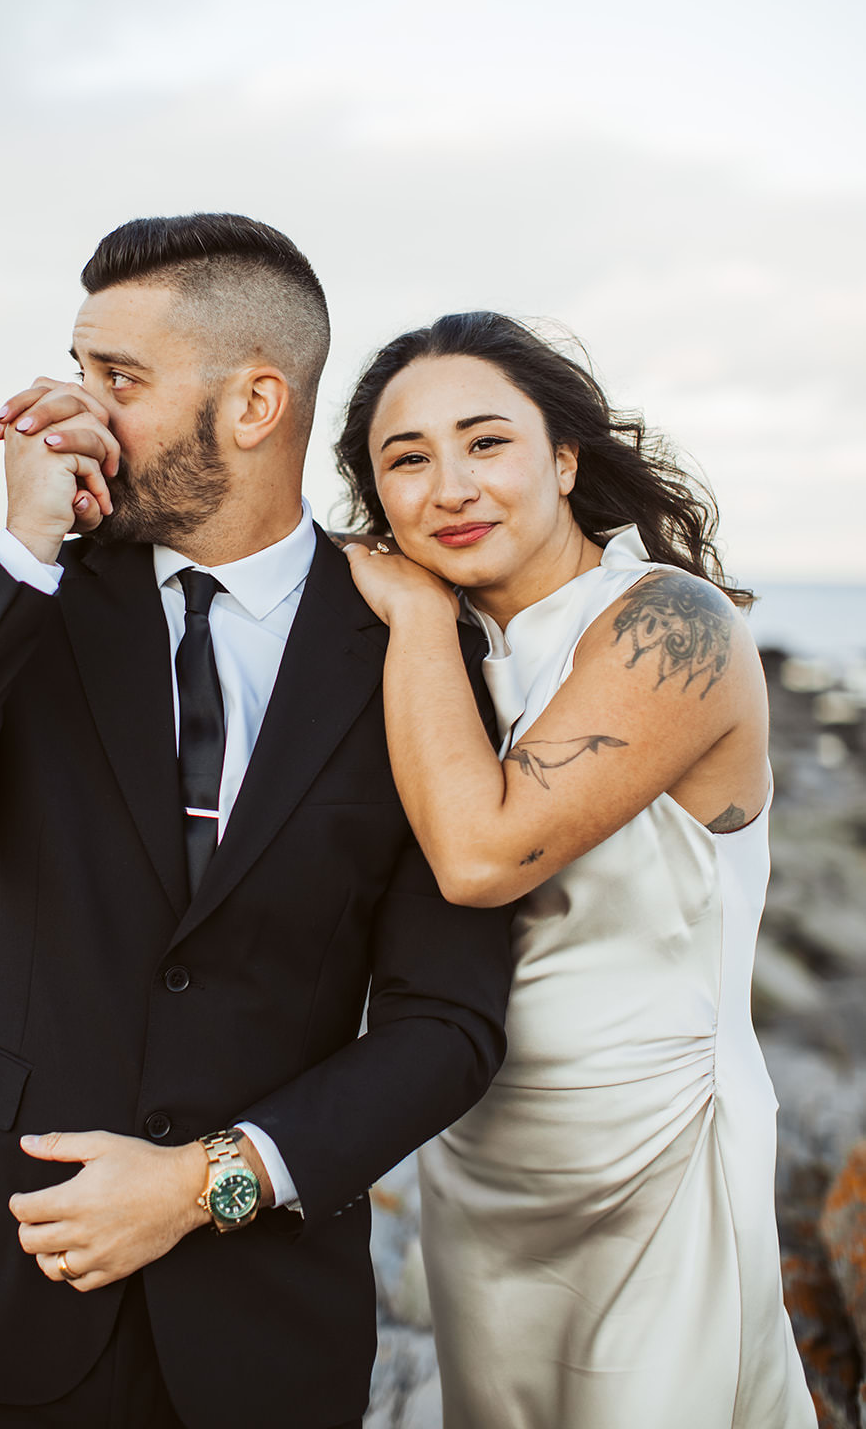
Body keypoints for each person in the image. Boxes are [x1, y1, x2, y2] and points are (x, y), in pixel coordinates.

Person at [0, 219, 514, 1429]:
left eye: (117, 381)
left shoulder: (415, 647)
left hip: (258, 1332)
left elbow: (444, 1023)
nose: (71, 414)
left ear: (253, 404)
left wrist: (204, 1186)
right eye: (77, 367)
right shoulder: (32, 594)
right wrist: (24, 544)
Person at [337, 310, 816, 1429]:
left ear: (561, 457)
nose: (448, 485)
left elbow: (479, 852)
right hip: (479, 1156)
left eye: (484, 441)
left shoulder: (671, 623)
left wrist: (408, 610)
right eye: (405, 459)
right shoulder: (440, 656)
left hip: (652, 1158)